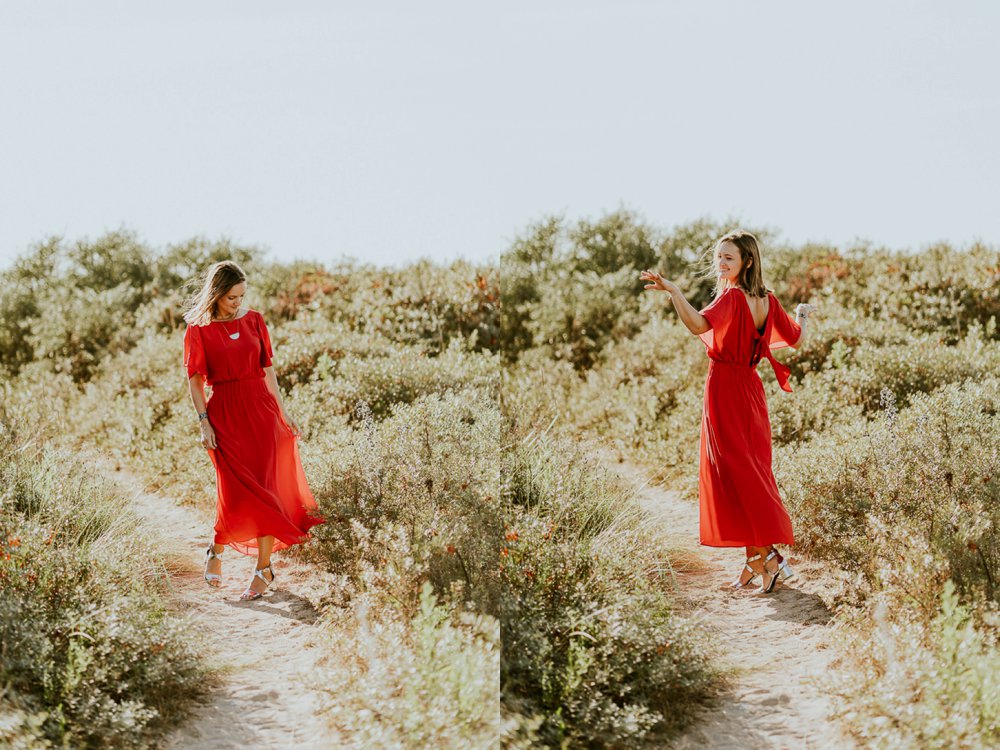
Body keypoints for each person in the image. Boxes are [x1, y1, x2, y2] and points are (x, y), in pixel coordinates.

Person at [640, 230, 815, 594]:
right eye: (719, 257)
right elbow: (796, 338)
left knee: (735, 473)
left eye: (729, 259)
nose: (721, 263)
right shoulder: (767, 299)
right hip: (751, 391)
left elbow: (697, 326)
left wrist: (674, 292)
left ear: (746, 262)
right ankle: (755, 562)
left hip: (725, 389)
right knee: (750, 469)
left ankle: (771, 556)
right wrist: (802, 314)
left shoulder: (733, 297)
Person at [182, 260, 324, 601]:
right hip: (226, 415)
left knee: (267, 490)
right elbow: (195, 382)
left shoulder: (255, 321)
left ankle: (264, 568)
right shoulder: (198, 330)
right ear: (216, 294)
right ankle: (216, 548)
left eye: (241, 296)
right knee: (233, 490)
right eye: (232, 297)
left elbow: (268, 370)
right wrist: (204, 424)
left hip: (262, 411)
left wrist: (284, 412)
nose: (237, 303)